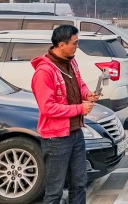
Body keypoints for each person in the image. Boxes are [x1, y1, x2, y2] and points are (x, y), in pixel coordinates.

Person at [31, 24, 99, 204]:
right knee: (55, 190)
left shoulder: (71, 61)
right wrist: (79, 109)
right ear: (61, 45)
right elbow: (48, 108)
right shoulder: (44, 72)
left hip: (76, 132)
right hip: (56, 138)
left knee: (79, 183)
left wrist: (87, 94)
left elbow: (79, 83)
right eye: (75, 43)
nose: (77, 47)